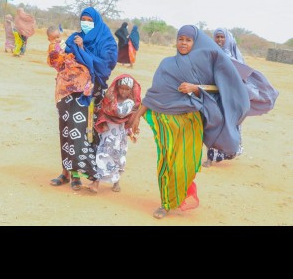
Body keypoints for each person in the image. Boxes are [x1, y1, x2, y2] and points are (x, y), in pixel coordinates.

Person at [131, 25, 251, 219]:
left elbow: (220, 88)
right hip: (166, 123)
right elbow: (154, 93)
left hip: (190, 124)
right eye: (181, 39)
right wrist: (137, 116)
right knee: (165, 162)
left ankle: (176, 197)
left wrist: (196, 88)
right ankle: (165, 203)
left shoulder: (203, 65)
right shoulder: (166, 64)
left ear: (195, 43)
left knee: (184, 165)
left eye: (188, 40)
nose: (183, 43)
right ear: (176, 41)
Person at [49, 7, 118, 191]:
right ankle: (67, 173)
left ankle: (84, 175)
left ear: (96, 21)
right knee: (66, 131)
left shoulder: (107, 43)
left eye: (89, 20)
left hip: (91, 94)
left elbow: (104, 68)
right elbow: (61, 60)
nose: (85, 23)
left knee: (84, 133)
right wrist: (57, 49)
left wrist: (82, 50)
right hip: (68, 92)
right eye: (83, 19)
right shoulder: (73, 37)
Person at [203, 27, 279, 167]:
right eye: (217, 37)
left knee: (230, 126)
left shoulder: (236, 57)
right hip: (216, 96)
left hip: (232, 99)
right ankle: (210, 158)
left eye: (222, 37)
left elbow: (243, 77)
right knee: (212, 125)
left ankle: (228, 152)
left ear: (228, 38)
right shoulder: (211, 54)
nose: (219, 40)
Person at [85, 74, 141, 193]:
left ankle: (116, 182)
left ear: (131, 90)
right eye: (121, 88)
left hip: (119, 136)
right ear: (117, 87)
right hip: (107, 134)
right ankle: (96, 183)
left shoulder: (129, 103)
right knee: (102, 154)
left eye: (127, 89)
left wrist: (108, 104)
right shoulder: (110, 98)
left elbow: (119, 113)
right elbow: (101, 108)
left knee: (118, 157)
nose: (124, 91)